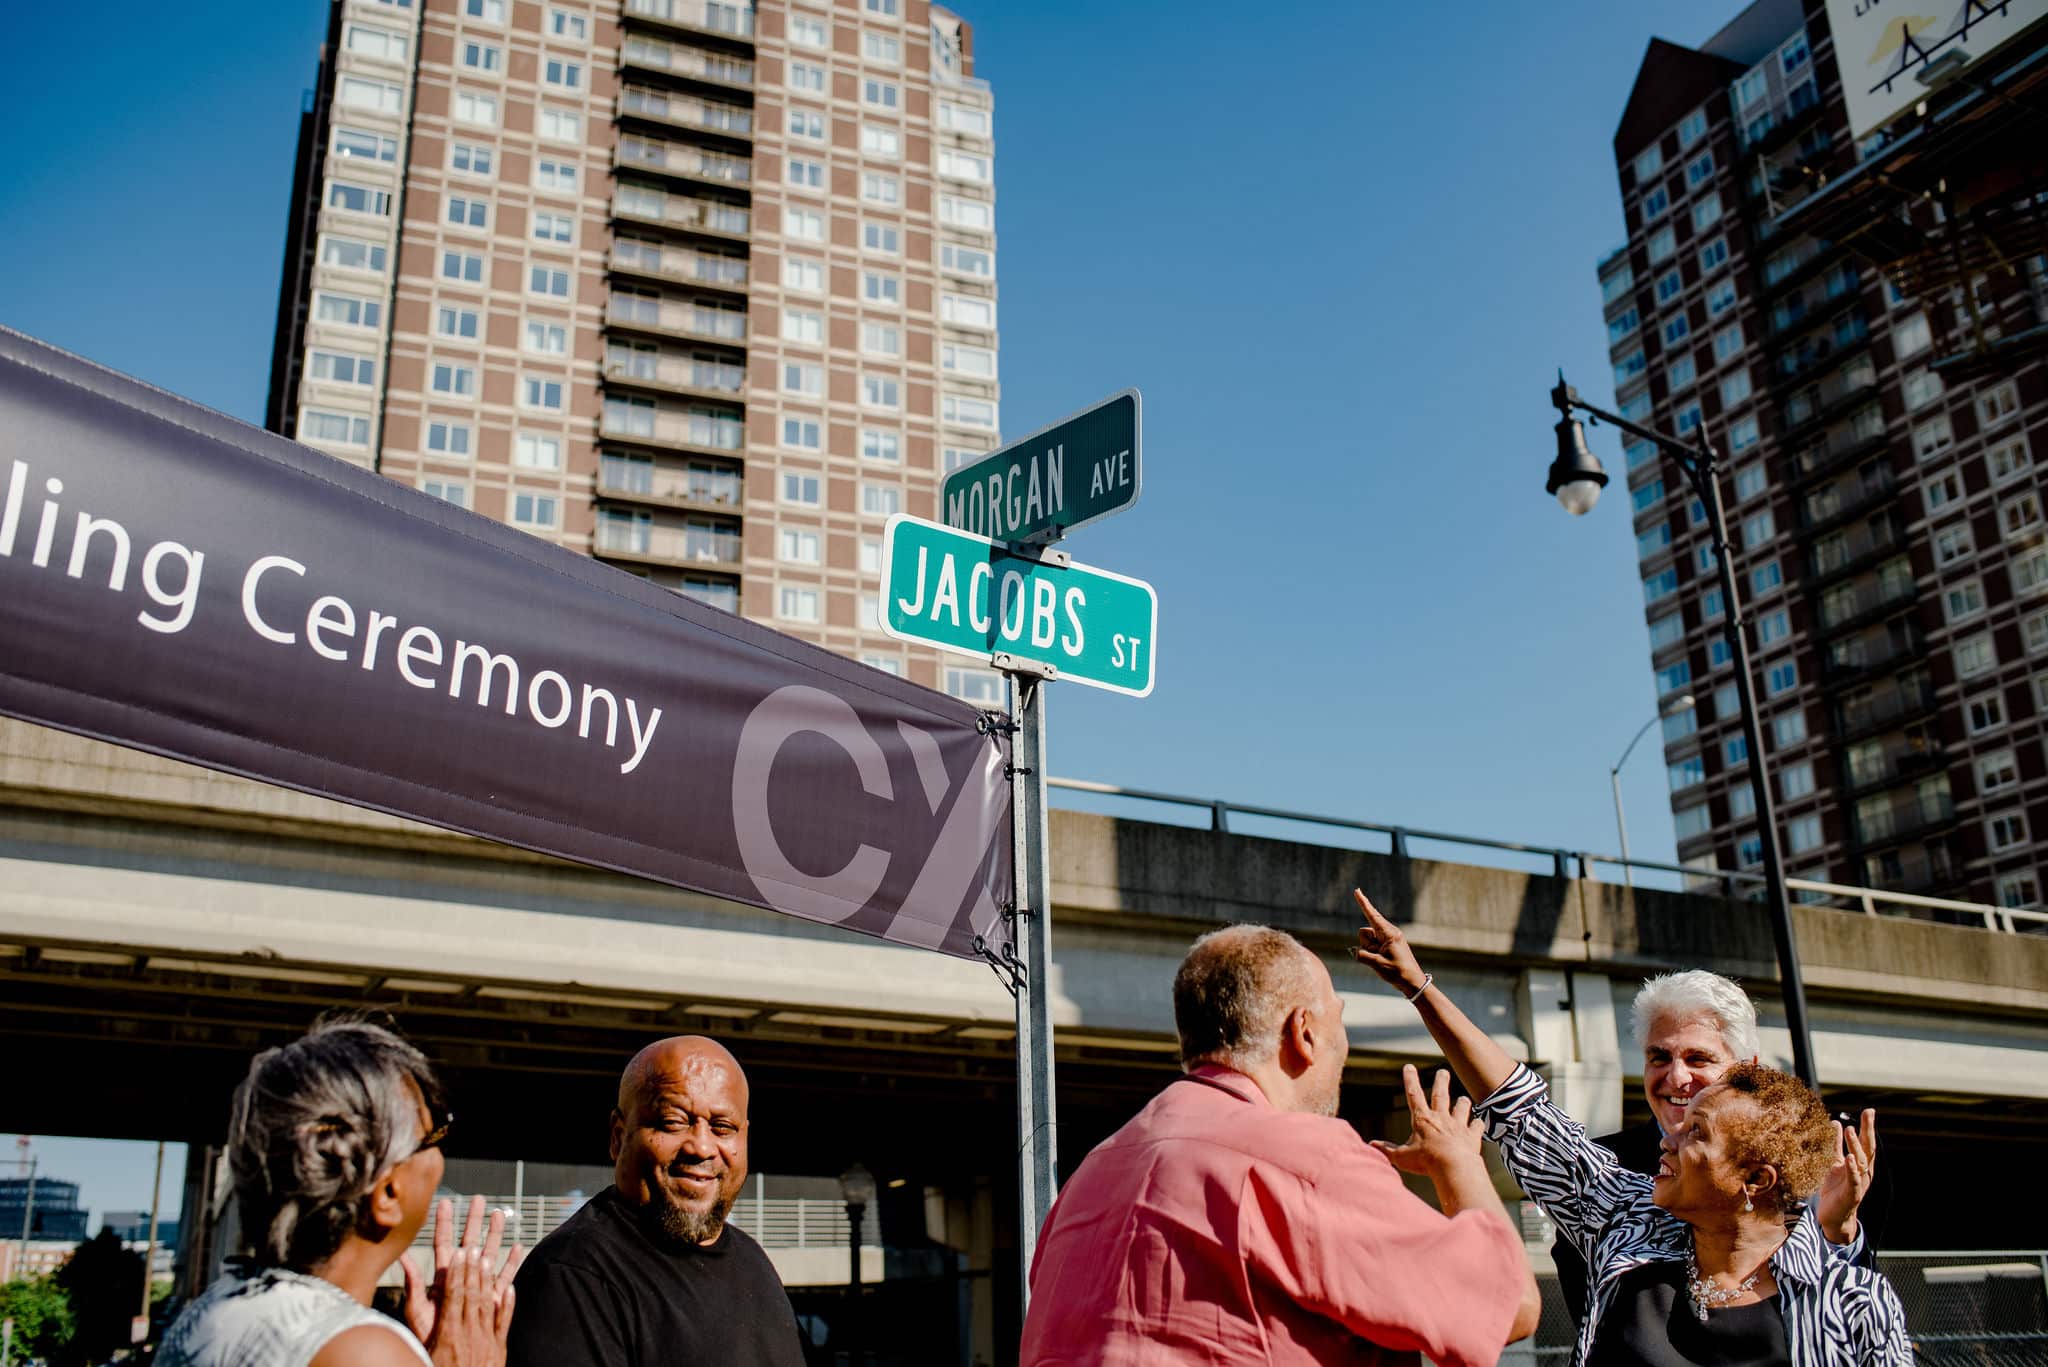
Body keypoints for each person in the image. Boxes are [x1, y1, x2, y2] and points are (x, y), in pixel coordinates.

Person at [1352, 892, 1910, 1366]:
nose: (1675, 1087)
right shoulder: (1625, 1213)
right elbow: (1520, 1110)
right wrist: (1420, 989)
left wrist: (1836, 1236)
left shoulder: (1852, 1298)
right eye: (1658, 1056)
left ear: (1757, 1177)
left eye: (1698, 1133)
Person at [1018, 924, 1541, 1366]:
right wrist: (1460, 1165)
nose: (1345, 1049)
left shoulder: (1092, 1173)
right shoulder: (1306, 1159)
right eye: (1340, 1021)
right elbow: (1511, 1304)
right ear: (1304, 1033)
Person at [158, 1016, 522, 1367]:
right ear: (388, 1194)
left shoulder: (211, 1311)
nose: (440, 1154)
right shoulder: (361, 1351)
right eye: (433, 1135)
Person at [1551, 970, 1885, 1323]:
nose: (1676, 1077)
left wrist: (1838, 1234)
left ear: (1747, 1072)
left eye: (1698, 1059)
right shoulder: (1599, 1171)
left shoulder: (1816, 1172)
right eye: (1659, 1057)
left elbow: (1853, 1326)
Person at [506, 1036, 804, 1367]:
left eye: (722, 1128)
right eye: (673, 1123)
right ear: (619, 1137)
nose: (701, 1147)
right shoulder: (573, 1275)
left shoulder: (753, 1262)